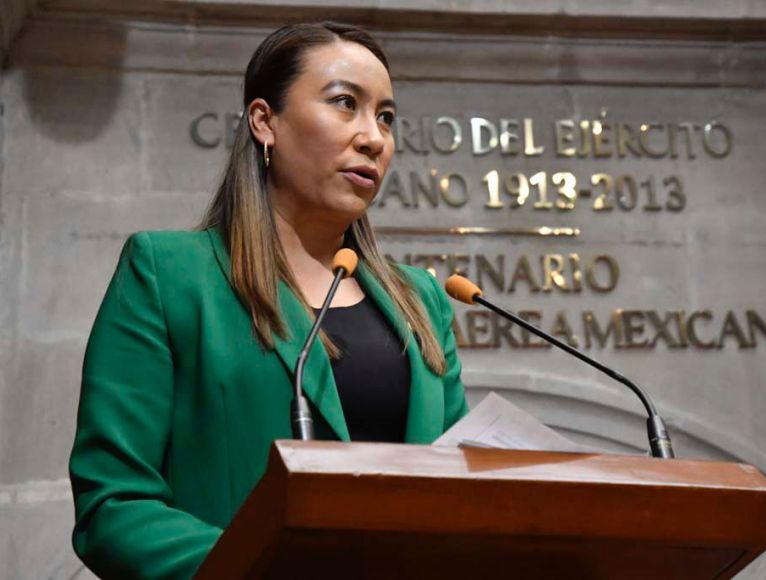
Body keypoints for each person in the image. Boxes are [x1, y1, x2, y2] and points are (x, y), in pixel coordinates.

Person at [68, 21, 468, 579]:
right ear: (264, 121)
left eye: (385, 117)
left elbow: (460, 494)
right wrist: (261, 568)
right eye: (345, 104)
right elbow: (114, 505)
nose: (374, 138)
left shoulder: (422, 299)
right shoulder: (169, 274)